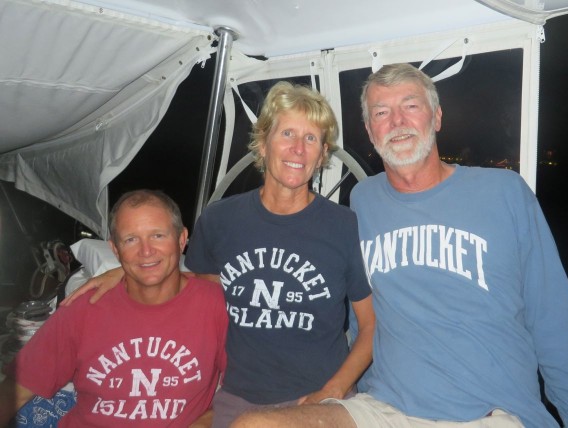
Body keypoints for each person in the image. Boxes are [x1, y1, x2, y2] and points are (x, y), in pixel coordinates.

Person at [228, 63, 568, 428]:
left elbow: (554, 321)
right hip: (383, 409)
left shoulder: (504, 193)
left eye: (410, 106)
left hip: (492, 414)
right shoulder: (363, 199)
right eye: (382, 112)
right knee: (252, 424)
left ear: (437, 117)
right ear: (370, 131)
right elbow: (342, 306)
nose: (397, 122)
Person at [61, 81, 375, 427]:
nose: (298, 149)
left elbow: (371, 326)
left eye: (311, 138)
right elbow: (199, 288)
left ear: (322, 153)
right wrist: (128, 269)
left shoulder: (344, 226)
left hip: (320, 398)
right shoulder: (221, 219)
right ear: (263, 141)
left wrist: (333, 389)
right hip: (238, 396)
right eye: (287, 133)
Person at [0, 189, 228, 427]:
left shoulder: (215, 305)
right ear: (115, 249)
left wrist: (205, 422)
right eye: (131, 239)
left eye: (158, 236)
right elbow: (17, 388)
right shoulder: (85, 307)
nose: (146, 251)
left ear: (181, 239)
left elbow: (245, 390)